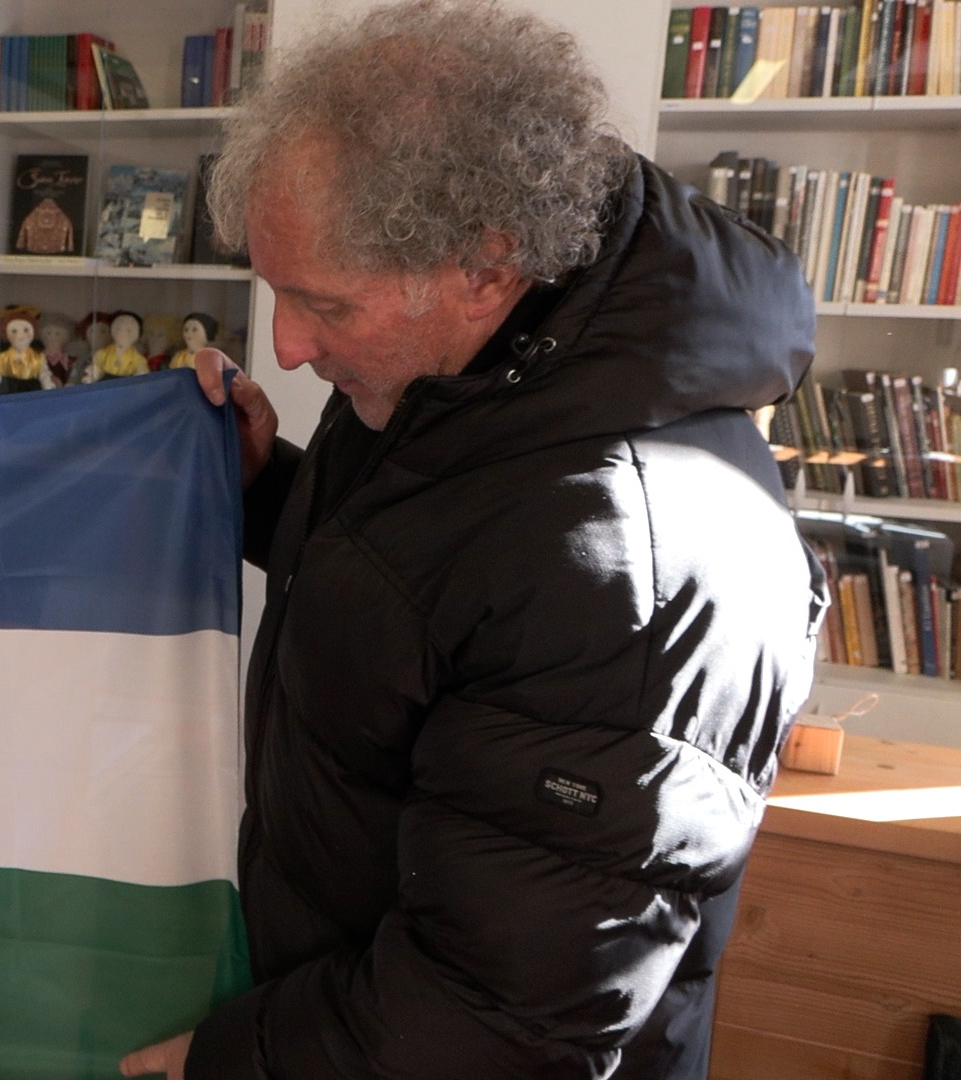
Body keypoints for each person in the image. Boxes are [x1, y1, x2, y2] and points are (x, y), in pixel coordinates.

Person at [119, 3, 825, 1078]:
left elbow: (502, 1015)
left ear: (485, 267)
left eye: (323, 305)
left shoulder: (631, 559)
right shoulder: (472, 374)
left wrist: (227, 1061)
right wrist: (268, 490)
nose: (293, 345)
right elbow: (432, 585)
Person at [0, 307, 55, 395]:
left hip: (31, 389)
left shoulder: (37, 358)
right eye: (14, 331)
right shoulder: (2, 358)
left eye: (26, 330)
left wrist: (47, 383)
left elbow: (43, 373)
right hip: (9, 390)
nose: (20, 335)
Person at [84, 311, 150, 382]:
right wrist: (94, 374)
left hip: (126, 385)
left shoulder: (137, 358)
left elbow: (142, 373)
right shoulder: (104, 353)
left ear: (136, 335)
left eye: (128, 331)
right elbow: (98, 366)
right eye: (118, 329)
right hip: (106, 383)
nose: (122, 333)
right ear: (112, 330)